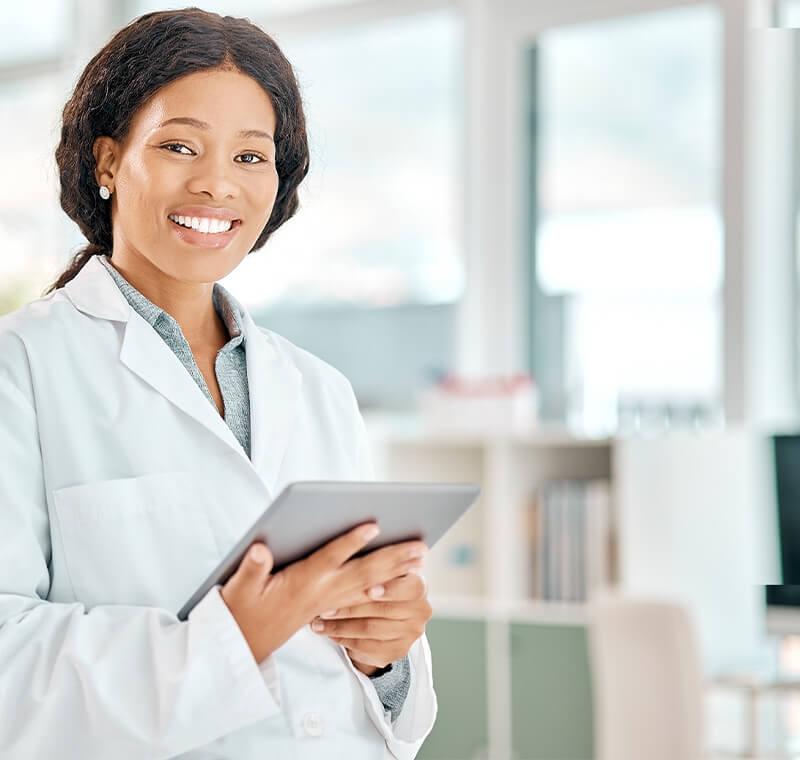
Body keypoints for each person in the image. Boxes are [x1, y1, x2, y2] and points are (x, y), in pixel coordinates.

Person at [0, 8, 436, 759]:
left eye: (250, 157)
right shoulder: (23, 369)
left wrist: (387, 654)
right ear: (107, 162)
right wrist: (227, 641)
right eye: (178, 146)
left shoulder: (318, 388)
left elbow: (379, 701)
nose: (215, 185)